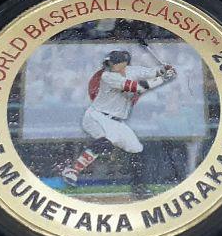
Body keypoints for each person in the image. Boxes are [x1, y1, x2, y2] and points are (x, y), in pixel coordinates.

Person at [60, 49, 176, 187]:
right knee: (105, 142)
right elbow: (138, 87)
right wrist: (163, 79)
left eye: (114, 62)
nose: (111, 65)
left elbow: (152, 72)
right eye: (111, 62)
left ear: (124, 64)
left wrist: (164, 69)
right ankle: (72, 171)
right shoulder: (107, 76)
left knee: (137, 150)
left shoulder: (132, 71)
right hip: (96, 116)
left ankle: (139, 187)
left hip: (116, 122)